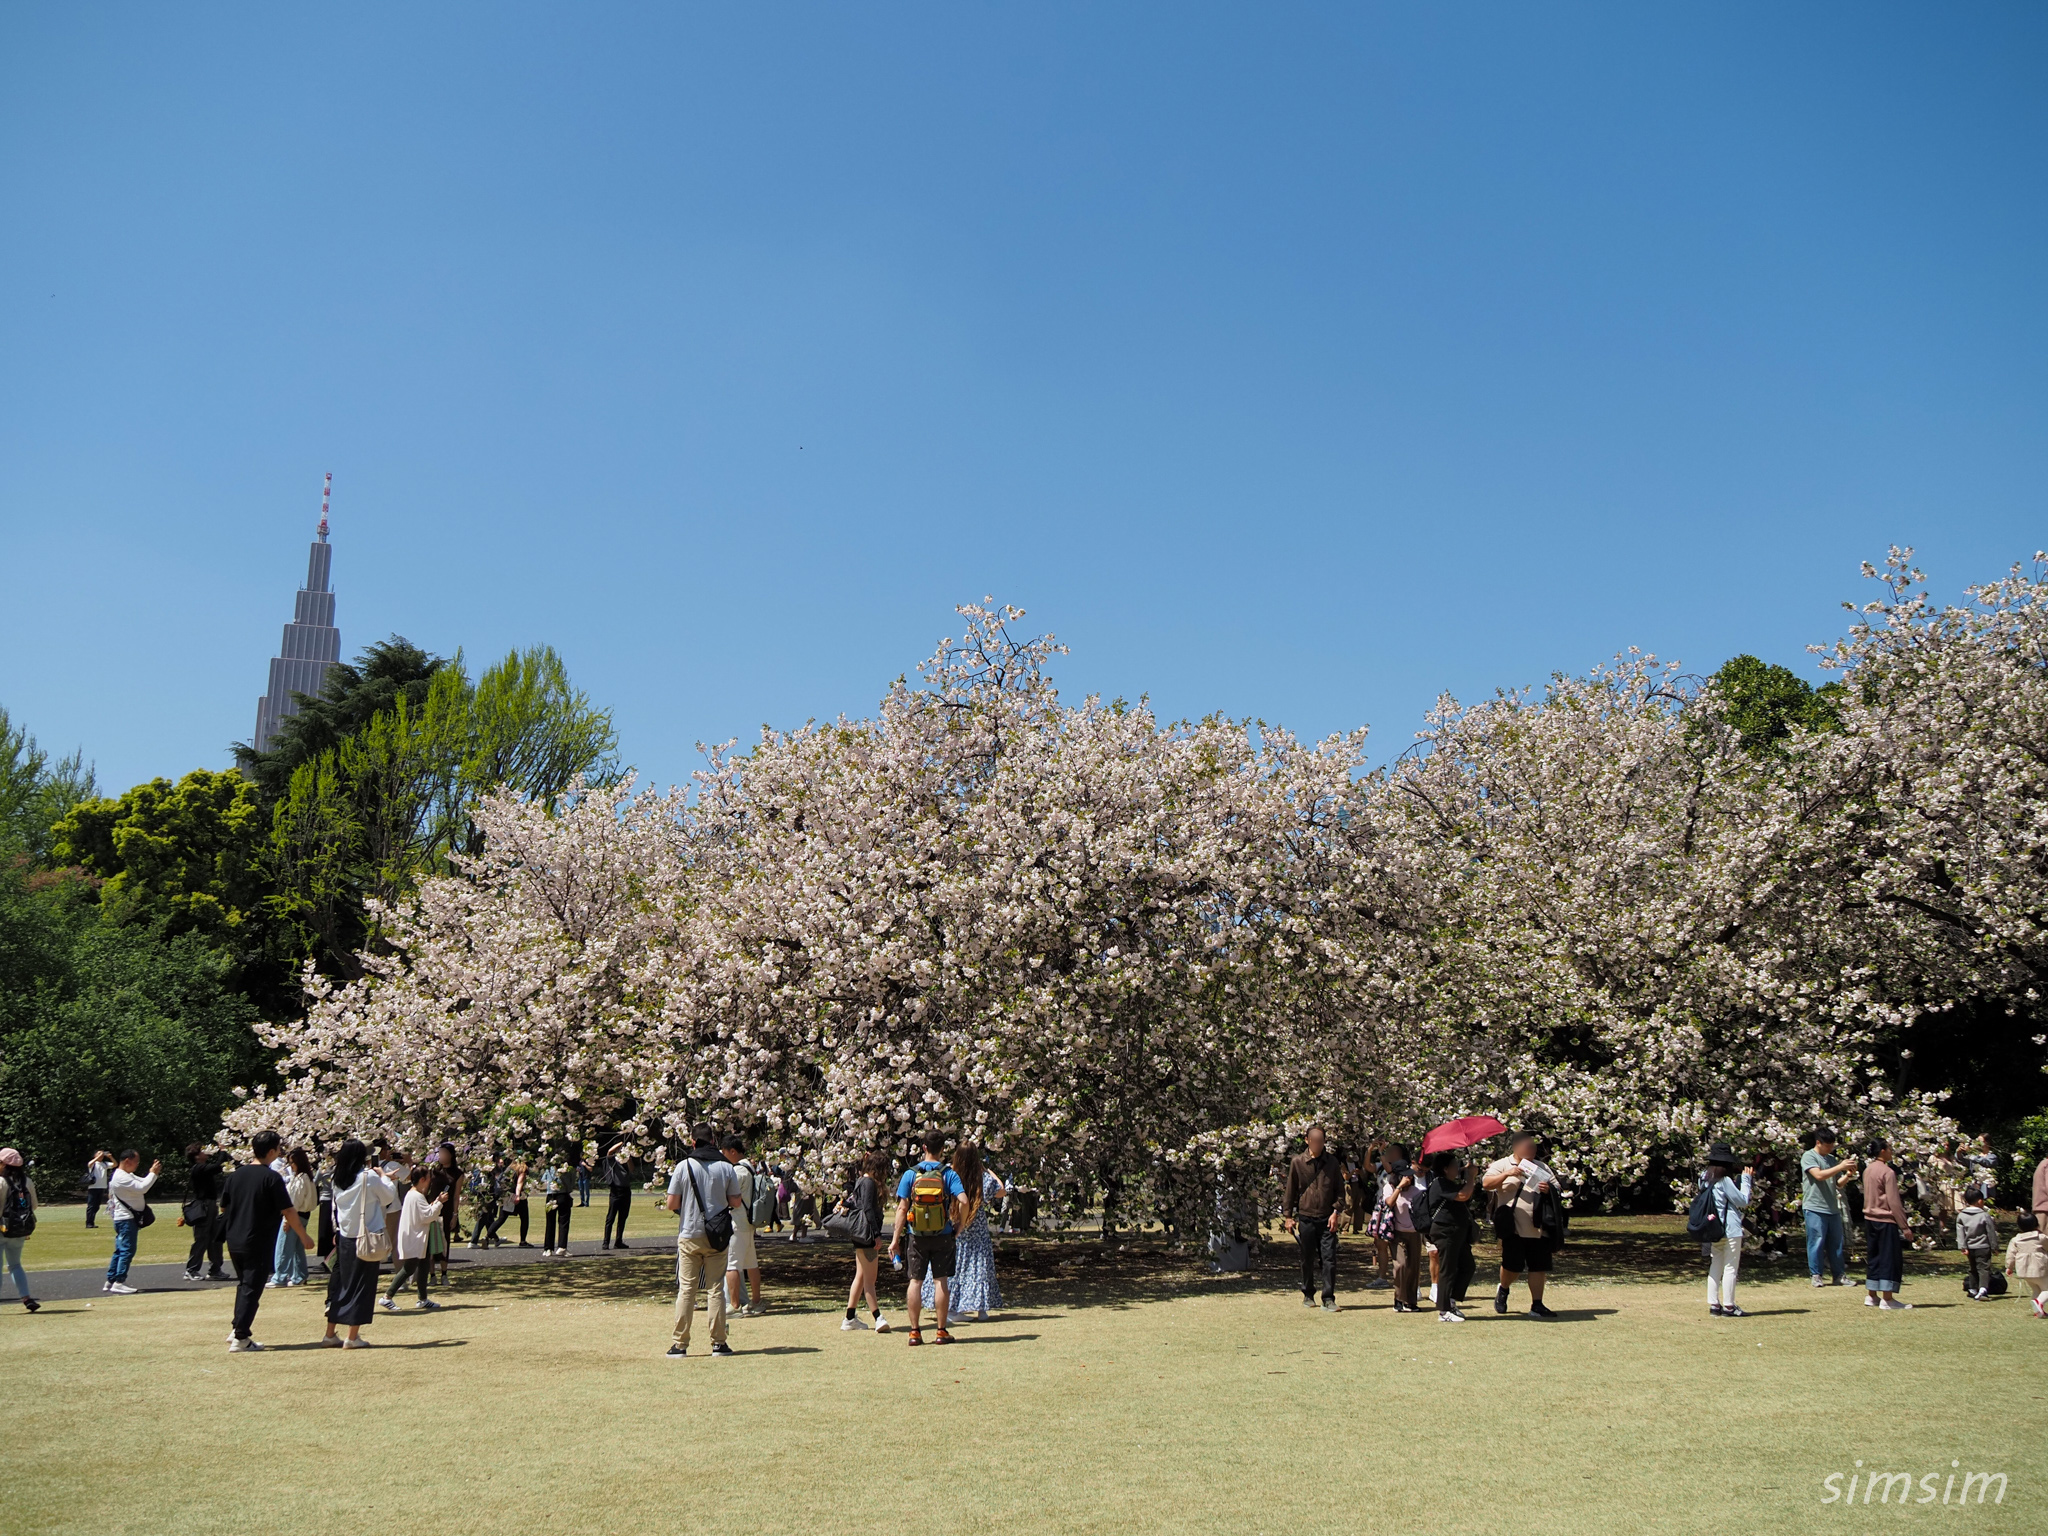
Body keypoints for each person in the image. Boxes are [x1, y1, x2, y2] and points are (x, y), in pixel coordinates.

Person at [218, 1130, 309, 1352]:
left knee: (244, 1285)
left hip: (235, 1238)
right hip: (256, 1239)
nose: (279, 1153)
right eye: (278, 1149)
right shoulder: (271, 1178)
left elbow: (224, 1206)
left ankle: (236, 1327)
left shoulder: (235, 1176)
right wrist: (303, 1235)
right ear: (270, 1151)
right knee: (252, 1288)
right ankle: (241, 1337)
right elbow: (288, 1209)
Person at [665, 1123, 742, 1358]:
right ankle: (719, 1342)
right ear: (713, 1141)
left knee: (687, 1289)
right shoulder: (726, 1167)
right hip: (716, 1235)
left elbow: (672, 1204)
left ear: (693, 1141)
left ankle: (680, 1344)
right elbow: (736, 1201)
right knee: (715, 1288)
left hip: (689, 1233)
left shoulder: (683, 1166)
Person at [889, 1131, 969, 1346]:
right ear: (943, 1149)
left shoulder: (910, 1174)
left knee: (915, 1281)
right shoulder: (948, 1174)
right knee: (940, 1281)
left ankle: (915, 1332)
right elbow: (964, 1201)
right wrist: (959, 1225)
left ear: (923, 1148)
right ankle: (941, 1331)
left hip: (916, 1236)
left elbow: (902, 1208)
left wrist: (896, 1239)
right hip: (943, 1235)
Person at [323, 1140, 399, 1348]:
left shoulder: (337, 1179)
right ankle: (352, 1336)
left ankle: (330, 1333)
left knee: (343, 1284)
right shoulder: (369, 1176)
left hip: (345, 1235)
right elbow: (388, 1197)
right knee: (362, 1285)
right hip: (367, 1236)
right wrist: (385, 1178)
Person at [1483, 1130, 1561, 1319]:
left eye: (1534, 1147)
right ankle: (1503, 1289)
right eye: (1528, 1147)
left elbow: (1557, 1187)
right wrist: (1508, 1174)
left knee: (1538, 1266)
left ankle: (1537, 1304)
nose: (1532, 1150)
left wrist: (1547, 1189)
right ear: (1516, 1147)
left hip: (1538, 1226)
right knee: (1512, 1266)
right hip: (1513, 1227)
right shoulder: (1502, 1164)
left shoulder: (1541, 1166)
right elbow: (1486, 1183)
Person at [925, 1143, 1003, 1321]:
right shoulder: (982, 1177)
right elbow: (1001, 1190)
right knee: (979, 1266)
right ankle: (981, 1308)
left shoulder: (949, 1174)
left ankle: (952, 1308)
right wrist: (989, 1170)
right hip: (977, 1230)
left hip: (955, 1226)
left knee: (954, 1268)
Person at [1280, 1126, 1347, 1312]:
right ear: (1307, 1140)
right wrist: (1288, 1216)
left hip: (1327, 1218)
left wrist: (1336, 1213)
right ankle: (1308, 1293)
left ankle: (1328, 1297)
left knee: (1329, 1259)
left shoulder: (1332, 1163)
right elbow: (1290, 1191)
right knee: (1307, 1258)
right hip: (1306, 1217)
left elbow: (1340, 1193)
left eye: (1321, 1140)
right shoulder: (1298, 1162)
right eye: (1314, 1139)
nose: (1318, 1143)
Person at [1424, 1150, 1479, 1322]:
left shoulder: (1449, 1183)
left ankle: (1451, 1301)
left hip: (1457, 1231)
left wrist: (1468, 1177)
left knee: (1467, 1266)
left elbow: (1464, 1193)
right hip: (1445, 1231)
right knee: (1448, 1269)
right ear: (1446, 1168)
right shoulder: (1439, 1183)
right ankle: (1444, 1310)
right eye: (1455, 1166)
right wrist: (1471, 1177)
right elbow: (1463, 1195)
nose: (1458, 1168)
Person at [383, 1167, 448, 1312]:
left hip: (416, 1237)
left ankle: (422, 1298)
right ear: (423, 1180)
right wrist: (439, 1203)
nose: (431, 1181)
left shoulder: (413, 1195)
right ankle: (387, 1297)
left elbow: (423, 1212)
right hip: (414, 1237)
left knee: (424, 1265)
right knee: (409, 1268)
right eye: (429, 1178)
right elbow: (427, 1216)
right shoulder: (416, 1196)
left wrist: (435, 1203)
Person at [838, 1151, 890, 1332]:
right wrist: (876, 1234)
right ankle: (878, 1317)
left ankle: (849, 1317)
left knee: (860, 1277)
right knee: (870, 1279)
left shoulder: (861, 1180)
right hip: (867, 1234)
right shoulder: (868, 1183)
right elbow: (867, 1208)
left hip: (859, 1234)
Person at [1699, 1144, 1753, 1318]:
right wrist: (1746, 1181)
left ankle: (1714, 1304)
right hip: (1729, 1228)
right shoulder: (1725, 1180)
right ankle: (1729, 1306)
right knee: (1730, 1267)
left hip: (1712, 1228)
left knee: (1716, 1264)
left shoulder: (1704, 1178)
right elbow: (1742, 1201)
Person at [1798, 1128, 1856, 1287]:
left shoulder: (1831, 1159)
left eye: (1832, 1145)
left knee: (1836, 1243)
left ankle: (1839, 1275)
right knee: (1816, 1241)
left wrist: (1848, 1175)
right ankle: (1816, 1275)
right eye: (1828, 1145)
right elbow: (1819, 1175)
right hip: (1814, 1207)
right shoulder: (1809, 1156)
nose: (1830, 1148)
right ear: (1818, 1143)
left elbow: (1837, 1184)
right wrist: (1840, 1167)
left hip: (1832, 1207)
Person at [1862, 1138, 1914, 1311]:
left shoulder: (1868, 1169)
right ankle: (1888, 1298)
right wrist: (1904, 1226)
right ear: (1882, 1151)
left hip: (1869, 1218)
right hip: (1885, 1219)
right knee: (1889, 1258)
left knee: (1874, 1257)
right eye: (1889, 1148)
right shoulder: (1888, 1172)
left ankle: (1872, 1295)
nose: (1891, 1151)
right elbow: (1894, 1201)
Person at [103, 1150, 161, 1294]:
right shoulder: (121, 1177)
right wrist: (153, 1173)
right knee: (127, 1250)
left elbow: (141, 1181)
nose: (137, 1165)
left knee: (120, 1250)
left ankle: (111, 1280)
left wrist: (152, 1173)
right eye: (136, 1162)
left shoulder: (125, 1175)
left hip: (124, 1218)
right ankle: (119, 1281)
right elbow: (143, 1188)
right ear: (128, 1160)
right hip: (126, 1219)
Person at [723, 1137, 766, 1317]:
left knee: (731, 1265)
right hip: (749, 1222)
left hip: (737, 1222)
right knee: (751, 1263)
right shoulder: (750, 1167)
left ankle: (734, 1305)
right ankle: (756, 1301)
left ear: (733, 1151)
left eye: (726, 1153)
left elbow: (730, 1195)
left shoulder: (738, 1171)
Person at [1379, 1144, 1425, 1313]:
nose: (1409, 1179)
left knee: (1414, 1267)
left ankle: (1411, 1301)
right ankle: (1398, 1298)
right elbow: (1389, 1203)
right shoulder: (1389, 1188)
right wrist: (1399, 1188)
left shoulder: (1416, 1191)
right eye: (1405, 1176)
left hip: (1414, 1233)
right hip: (1396, 1232)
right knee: (1400, 1266)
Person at [182, 1142, 229, 1282]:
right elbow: (217, 1167)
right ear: (196, 1156)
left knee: (215, 1238)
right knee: (202, 1238)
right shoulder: (198, 1168)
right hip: (204, 1205)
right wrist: (222, 1151)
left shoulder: (201, 1168)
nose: (206, 1153)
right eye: (202, 1152)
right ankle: (191, 1269)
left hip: (209, 1205)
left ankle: (215, 1269)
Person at [270, 1147, 317, 1287]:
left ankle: (279, 1277)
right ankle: (299, 1276)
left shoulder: (301, 1179)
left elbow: (294, 1202)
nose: (291, 1165)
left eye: (292, 1162)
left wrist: (287, 1220)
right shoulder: (307, 1177)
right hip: (303, 1215)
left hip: (295, 1215)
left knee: (283, 1246)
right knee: (297, 1248)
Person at [1, 1148, 40, 1313]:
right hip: (20, 1229)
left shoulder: (1, 1182)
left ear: (3, 1164)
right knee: (15, 1264)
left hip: (2, 1228)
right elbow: (34, 1206)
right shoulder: (27, 1181)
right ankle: (26, 1297)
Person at [1956, 1185, 1998, 1300]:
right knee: (1984, 1268)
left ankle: (1972, 1289)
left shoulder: (1962, 1215)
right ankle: (1983, 1289)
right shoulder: (1984, 1215)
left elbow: (1960, 1233)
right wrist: (1994, 1246)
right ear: (1980, 1201)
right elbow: (1991, 1232)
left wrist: (1962, 1246)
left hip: (1970, 1246)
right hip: (1983, 1246)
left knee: (1973, 1268)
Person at [426, 1143, 461, 1281]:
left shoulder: (457, 1174)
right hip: (431, 1208)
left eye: (444, 1153)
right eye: (439, 1153)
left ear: (451, 1155)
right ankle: (432, 1274)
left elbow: (456, 1196)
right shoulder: (434, 1171)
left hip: (446, 1211)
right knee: (430, 1242)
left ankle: (444, 1273)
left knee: (445, 1241)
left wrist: (455, 1214)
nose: (441, 1156)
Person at [2006, 1212, 2047, 1318]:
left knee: (2036, 1290)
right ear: (2036, 1224)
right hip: (2040, 1269)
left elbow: (2011, 1255)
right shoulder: (2041, 1238)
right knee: (2046, 1289)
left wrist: (2009, 1267)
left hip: (2024, 1271)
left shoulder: (2015, 1240)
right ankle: (2039, 1302)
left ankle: (2038, 1312)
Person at [600, 1141, 635, 1249]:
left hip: (625, 1190)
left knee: (623, 1217)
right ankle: (606, 1242)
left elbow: (632, 1170)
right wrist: (622, 1143)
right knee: (610, 1217)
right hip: (615, 1190)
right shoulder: (612, 1160)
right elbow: (609, 1151)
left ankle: (618, 1241)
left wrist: (628, 1157)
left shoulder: (626, 1160)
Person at [542, 1157, 576, 1255]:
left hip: (550, 1195)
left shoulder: (549, 1169)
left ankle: (548, 1248)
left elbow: (543, 1181)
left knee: (550, 1222)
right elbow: (570, 1186)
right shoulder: (569, 1170)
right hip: (563, 1195)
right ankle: (562, 1246)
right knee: (563, 1222)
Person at [506, 1159, 533, 1248]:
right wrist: (518, 1195)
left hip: (508, 1194)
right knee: (525, 1219)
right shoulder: (523, 1170)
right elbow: (519, 1183)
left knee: (502, 1217)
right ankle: (523, 1240)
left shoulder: (511, 1168)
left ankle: (488, 1236)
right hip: (519, 1196)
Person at [84, 1151, 114, 1228]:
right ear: (95, 1155)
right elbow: (89, 1164)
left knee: (97, 1206)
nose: (101, 1155)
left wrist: (110, 1157)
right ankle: (89, 1223)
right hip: (93, 1187)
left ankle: (92, 1222)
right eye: (99, 1153)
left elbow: (115, 1164)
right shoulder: (93, 1163)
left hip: (102, 1187)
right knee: (91, 1205)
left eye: (102, 1153)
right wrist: (97, 1157)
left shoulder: (104, 1164)